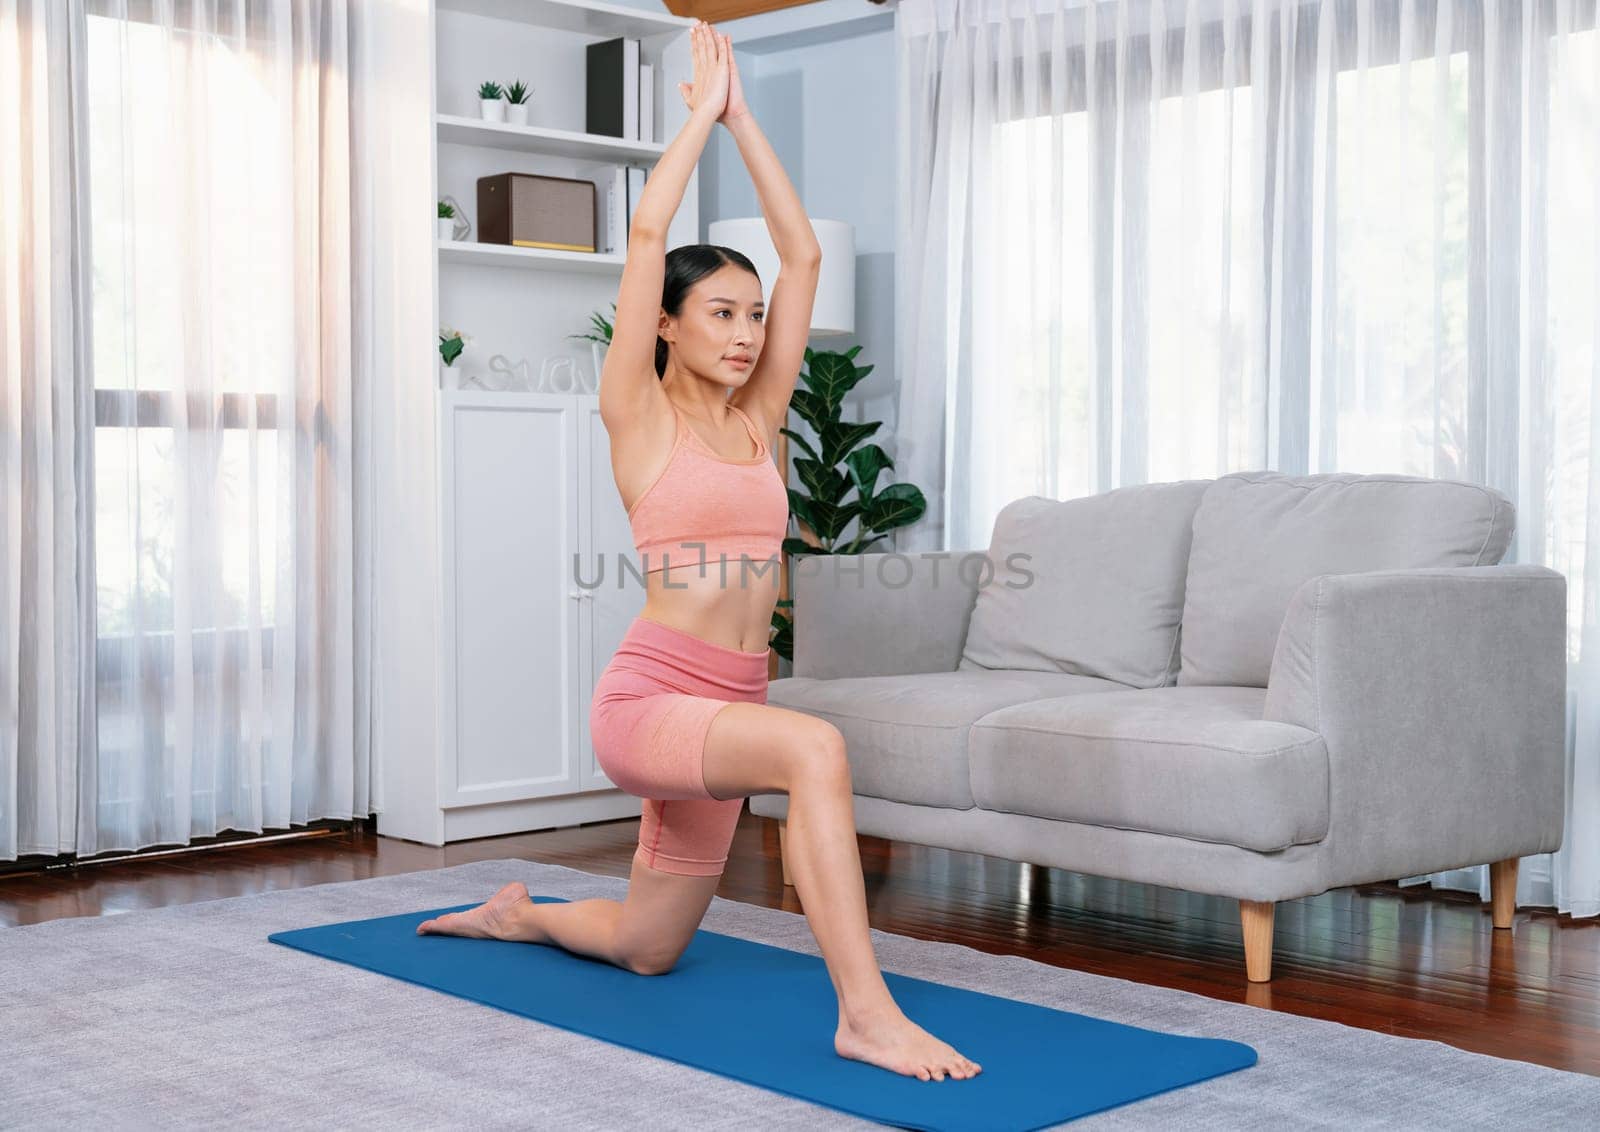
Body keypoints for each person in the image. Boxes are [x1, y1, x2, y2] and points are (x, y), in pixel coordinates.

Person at [418, 21, 980, 1085]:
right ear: (667, 325)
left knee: (647, 945)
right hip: (651, 704)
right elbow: (643, 235)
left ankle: (518, 916)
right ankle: (865, 1013)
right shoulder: (637, 414)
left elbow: (804, 250)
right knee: (813, 749)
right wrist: (691, 125)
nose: (743, 331)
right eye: (719, 311)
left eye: (753, 316)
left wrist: (745, 118)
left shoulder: (760, 415)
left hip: (728, 703)